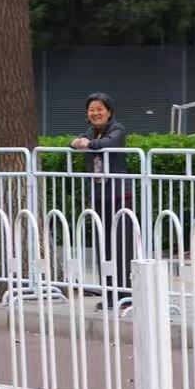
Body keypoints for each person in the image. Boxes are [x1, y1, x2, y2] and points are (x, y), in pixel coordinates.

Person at [71, 92, 134, 303]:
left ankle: (124, 293)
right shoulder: (90, 131)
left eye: (99, 109)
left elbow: (107, 144)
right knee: (102, 244)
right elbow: (73, 145)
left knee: (120, 245)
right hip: (99, 196)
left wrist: (85, 144)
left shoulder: (118, 129)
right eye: (91, 110)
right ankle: (108, 294)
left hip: (119, 195)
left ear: (109, 112)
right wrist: (77, 143)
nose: (95, 113)